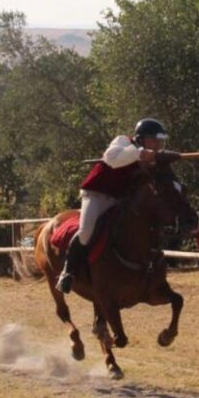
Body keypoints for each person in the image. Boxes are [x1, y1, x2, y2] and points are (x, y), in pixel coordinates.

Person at [55, 118, 172, 294]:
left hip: (120, 199)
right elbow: (112, 158)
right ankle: (68, 272)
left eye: (160, 142)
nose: (157, 145)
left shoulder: (150, 158)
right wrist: (141, 154)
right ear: (140, 139)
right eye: (154, 140)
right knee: (86, 233)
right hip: (97, 195)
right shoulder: (123, 142)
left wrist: (167, 160)